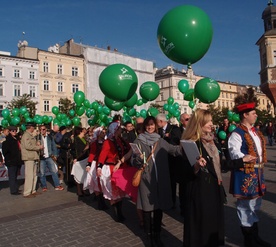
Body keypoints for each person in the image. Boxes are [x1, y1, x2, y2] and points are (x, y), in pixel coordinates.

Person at [182, 109, 255, 247]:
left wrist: (242, 160)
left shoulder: (211, 141)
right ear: (199, 123)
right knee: (201, 228)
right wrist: (197, 165)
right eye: (208, 121)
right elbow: (185, 172)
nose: (212, 124)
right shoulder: (192, 143)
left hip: (214, 189)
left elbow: (221, 164)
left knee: (213, 226)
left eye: (211, 121)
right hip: (200, 192)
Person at [132, 116, 183, 246]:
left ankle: (157, 235)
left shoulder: (160, 141)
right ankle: (148, 237)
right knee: (148, 209)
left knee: (159, 208)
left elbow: (173, 150)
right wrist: (138, 159)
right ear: (144, 127)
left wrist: (185, 146)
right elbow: (133, 160)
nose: (150, 127)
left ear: (155, 126)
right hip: (146, 179)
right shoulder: (139, 141)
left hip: (160, 179)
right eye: (147, 125)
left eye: (152, 125)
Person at [228, 102, 271, 247]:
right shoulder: (237, 133)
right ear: (245, 115)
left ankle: (255, 236)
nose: (256, 115)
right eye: (253, 113)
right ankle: (249, 240)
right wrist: (244, 157)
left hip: (257, 172)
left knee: (255, 205)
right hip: (245, 173)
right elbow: (234, 152)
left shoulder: (255, 132)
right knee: (245, 207)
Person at [97, 121, 130, 222]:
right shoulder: (108, 142)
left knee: (120, 193)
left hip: (120, 167)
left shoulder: (120, 139)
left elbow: (128, 148)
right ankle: (117, 213)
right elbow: (103, 154)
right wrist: (99, 167)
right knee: (114, 193)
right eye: (119, 129)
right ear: (115, 130)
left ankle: (120, 212)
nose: (121, 130)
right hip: (111, 168)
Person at [156, 113, 182, 210]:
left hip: (173, 159)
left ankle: (172, 201)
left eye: (157, 122)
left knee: (172, 181)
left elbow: (177, 141)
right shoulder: (158, 131)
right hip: (162, 159)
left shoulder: (174, 128)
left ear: (161, 122)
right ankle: (165, 198)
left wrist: (168, 137)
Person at [85, 126, 108, 210]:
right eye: (102, 132)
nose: (104, 133)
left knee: (102, 183)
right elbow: (92, 154)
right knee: (96, 183)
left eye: (104, 132)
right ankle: (100, 203)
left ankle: (102, 202)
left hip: (102, 164)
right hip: (96, 164)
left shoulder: (105, 142)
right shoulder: (95, 143)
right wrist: (89, 164)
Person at [37, 125, 64, 192]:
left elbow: (53, 146)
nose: (42, 131)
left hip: (49, 156)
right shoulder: (38, 137)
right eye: (41, 129)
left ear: (46, 129)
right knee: (42, 173)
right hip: (42, 157)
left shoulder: (49, 137)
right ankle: (44, 186)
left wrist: (55, 155)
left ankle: (57, 185)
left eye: (43, 129)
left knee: (54, 171)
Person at [21, 122, 44, 198]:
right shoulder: (26, 135)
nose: (34, 128)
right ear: (30, 127)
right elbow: (28, 146)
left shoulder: (31, 135)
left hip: (33, 157)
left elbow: (32, 145)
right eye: (33, 127)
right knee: (29, 175)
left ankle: (33, 190)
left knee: (34, 175)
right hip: (29, 158)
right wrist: (38, 147)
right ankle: (27, 192)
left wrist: (37, 144)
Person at [2, 126, 22, 195]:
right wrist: (9, 159)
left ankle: (15, 188)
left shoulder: (16, 139)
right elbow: (5, 152)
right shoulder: (7, 140)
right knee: (12, 176)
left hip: (17, 160)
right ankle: (13, 190)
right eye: (13, 131)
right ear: (10, 131)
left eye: (15, 130)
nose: (14, 132)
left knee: (15, 176)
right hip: (11, 161)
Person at [71, 127, 89, 197]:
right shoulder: (76, 139)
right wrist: (76, 157)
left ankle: (84, 189)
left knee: (84, 174)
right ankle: (79, 191)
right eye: (82, 131)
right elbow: (76, 150)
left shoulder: (84, 139)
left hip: (85, 158)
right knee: (79, 175)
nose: (84, 132)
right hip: (80, 159)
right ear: (80, 132)